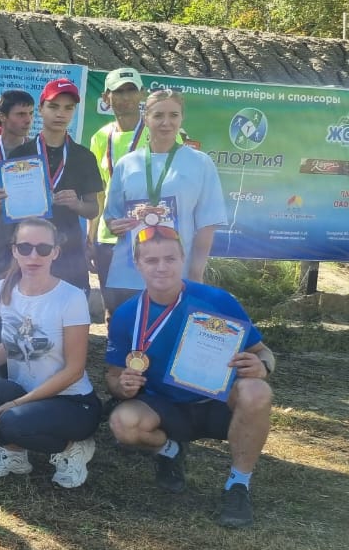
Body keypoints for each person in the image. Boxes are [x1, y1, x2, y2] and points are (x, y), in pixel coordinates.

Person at [106, 225, 275, 528]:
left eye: (170, 259)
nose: (161, 267)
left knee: (257, 392)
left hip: (217, 402)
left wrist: (262, 366)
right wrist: (123, 385)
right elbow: (113, 374)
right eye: (151, 260)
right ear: (138, 264)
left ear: (182, 259)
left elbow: (264, 352)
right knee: (123, 423)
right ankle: (170, 451)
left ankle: (238, 485)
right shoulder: (126, 314)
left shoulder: (217, 300)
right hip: (164, 406)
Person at [0, 218, 101, 488]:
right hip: (27, 395)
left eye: (43, 249)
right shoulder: (2, 290)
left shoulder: (71, 297)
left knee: (12, 421)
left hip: (72, 402)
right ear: (14, 250)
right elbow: (10, 345)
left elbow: (74, 371)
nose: (33, 256)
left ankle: (73, 448)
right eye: (25, 248)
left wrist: (17, 403)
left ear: (55, 253)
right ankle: (15, 453)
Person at [103, 89, 226, 305]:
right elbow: (112, 215)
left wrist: (195, 276)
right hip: (128, 276)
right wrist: (114, 225)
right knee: (127, 327)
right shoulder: (127, 163)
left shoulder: (200, 163)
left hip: (175, 277)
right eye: (158, 115)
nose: (166, 122)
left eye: (173, 115)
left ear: (182, 118)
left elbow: (207, 226)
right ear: (146, 119)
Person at [3, 78, 103, 292]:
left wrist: (77, 204)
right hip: (30, 251)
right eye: (54, 106)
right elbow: (11, 211)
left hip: (68, 252)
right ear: (40, 109)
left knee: (70, 308)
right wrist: (2, 201)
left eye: (68, 108)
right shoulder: (21, 154)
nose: (61, 114)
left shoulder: (84, 156)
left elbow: (93, 209)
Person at [88, 68, 150, 315]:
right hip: (109, 237)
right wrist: (91, 237)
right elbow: (98, 192)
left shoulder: (160, 133)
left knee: (149, 306)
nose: (125, 97)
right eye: (118, 91)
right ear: (106, 97)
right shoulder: (100, 137)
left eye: (131, 90)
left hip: (149, 233)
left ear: (142, 94)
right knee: (113, 310)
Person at [0, 89, 36, 341]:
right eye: (20, 114)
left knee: (30, 313)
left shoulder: (38, 153)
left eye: (30, 114)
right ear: (2, 117)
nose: (27, 120)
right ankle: (0, 361)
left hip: (32, 247)